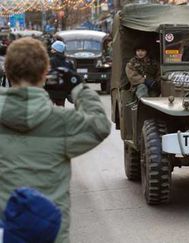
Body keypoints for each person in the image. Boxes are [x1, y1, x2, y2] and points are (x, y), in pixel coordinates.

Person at [0, 37, 111, 242]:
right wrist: (78, 86)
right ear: (45, 74)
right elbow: (100, 126)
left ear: (7, 71)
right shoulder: (61, 122)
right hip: (51, 235)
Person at [47, 40, 75, 106]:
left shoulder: (51, 61)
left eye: (52, 49)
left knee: (49, 110)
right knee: (61, 108)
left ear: (55, 50)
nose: (51, 50)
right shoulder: (68, 62)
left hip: (52, 90)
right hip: (63, 91)